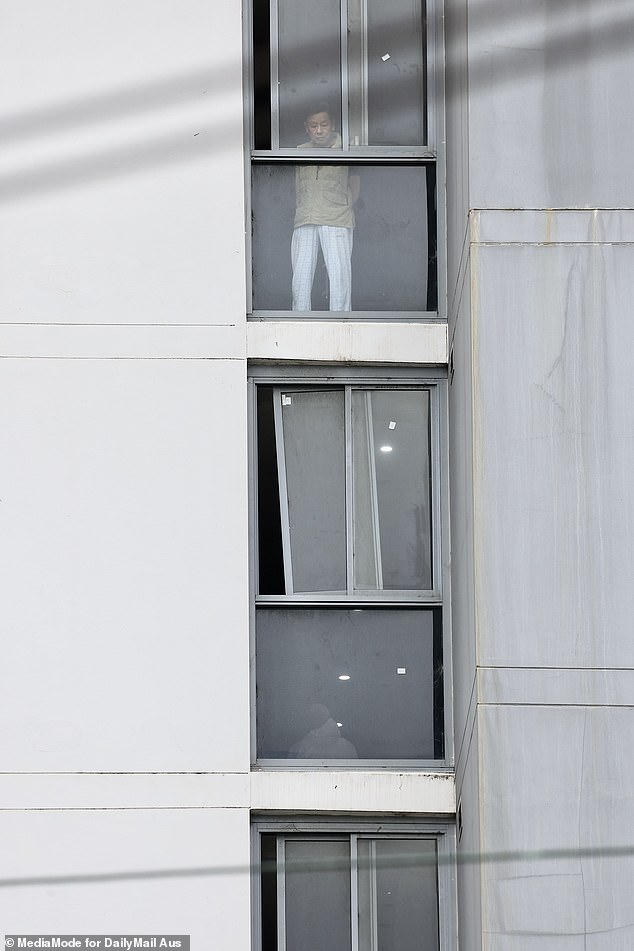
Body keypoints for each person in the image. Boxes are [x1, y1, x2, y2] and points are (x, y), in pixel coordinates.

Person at [291, 106, 360, 312]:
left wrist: (346, 206)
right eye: (314, 126)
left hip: (336, 218)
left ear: (333, 125)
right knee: (300, 279)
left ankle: (341, 322)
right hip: (305, 217)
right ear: (307, 128)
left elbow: (355, 184)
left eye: (323, 125)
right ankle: (299, 322)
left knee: (339, 278)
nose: (319, 130)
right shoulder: (298, 152)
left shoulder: (345, 148)